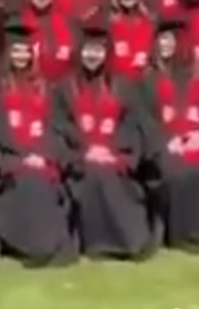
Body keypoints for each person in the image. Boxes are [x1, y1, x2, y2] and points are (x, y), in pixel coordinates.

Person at [56, 13, 154, 259]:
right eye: (88, 50)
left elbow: (131, 127)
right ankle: (96, 243)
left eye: (98, 51)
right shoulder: (65, 87)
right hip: (79, 159)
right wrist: (86, 150)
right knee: (93, 175)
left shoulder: (122, 86)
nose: (92, 56)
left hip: (114, 156)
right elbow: (59, 127)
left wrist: (110, 150)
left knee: (110, 176)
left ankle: (127, 242)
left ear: (106, 53)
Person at [139, 16, 199, 256]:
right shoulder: (147, 81)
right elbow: (142, 120)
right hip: (165, 145)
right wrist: (165, 142)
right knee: (175, 171)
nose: (165, 45)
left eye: (170, 41)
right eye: (161, 41)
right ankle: (180, 235)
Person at [0, 17, 77, 266]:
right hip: (9, 157)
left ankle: (46, 244)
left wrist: (43, 154)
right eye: (16, 51)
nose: (21, 56)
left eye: (26, 52)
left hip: (42, 157)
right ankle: (24, 244)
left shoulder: (46, 88)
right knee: (26, 182)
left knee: (42, 183)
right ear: (9, 54)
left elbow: (55, 127)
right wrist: (21, 155)